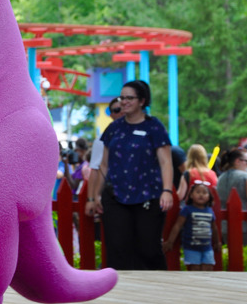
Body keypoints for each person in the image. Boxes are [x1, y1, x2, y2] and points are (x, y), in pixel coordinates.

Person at [86, 80, 174, 270]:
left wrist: (167, 190)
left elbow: (166, 161)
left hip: (148, 195)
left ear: (142, 101)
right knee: (118, 248)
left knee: (148, 249)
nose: (124, 102)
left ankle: (156, 291)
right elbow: (104, 165)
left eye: (129, 98)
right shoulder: (114, 128)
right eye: (121, 98)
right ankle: (120, 292)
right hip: (116, 196)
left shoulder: (154, 127)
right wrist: (94, 196)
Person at [162, 181, 220, 271]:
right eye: (198, 192)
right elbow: (178, 226)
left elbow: (214, 228)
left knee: (208, 269)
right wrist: (170, 241)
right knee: (194, 270)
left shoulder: (209, 211)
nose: (201, 195)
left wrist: (217, 242)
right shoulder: (187, 210)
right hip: (191, 247)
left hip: (207, 248)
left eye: (204, 192)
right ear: (191, 195)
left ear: (209, 197)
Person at [217, 148, 247, 244]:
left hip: (223, 226)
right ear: (237, 161)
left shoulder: (220, 178)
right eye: (246, 161)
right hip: (243, 227)